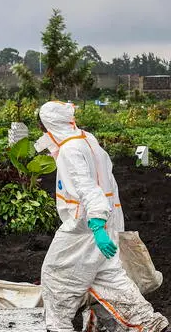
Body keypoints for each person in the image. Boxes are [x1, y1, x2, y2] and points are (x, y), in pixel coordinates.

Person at [37, 101, 168, 332]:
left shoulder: (70, 150)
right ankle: (150, 323)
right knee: (110, 278)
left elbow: (89, 189)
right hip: (103, 224)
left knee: (55, 276)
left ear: (51, 125)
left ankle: (58, 327)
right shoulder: (89, 141)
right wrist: (110, 225)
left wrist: (96, 224)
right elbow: (109, 184)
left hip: (83, 227)